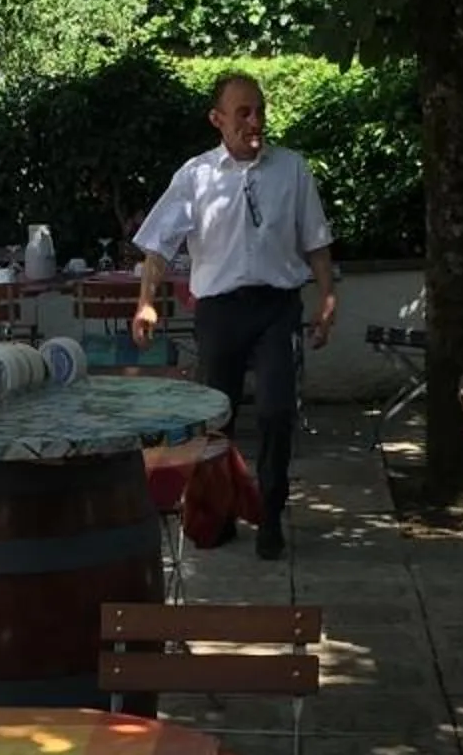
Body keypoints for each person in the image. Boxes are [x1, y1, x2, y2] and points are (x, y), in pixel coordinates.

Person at [130, 72, 339, 558]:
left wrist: (327, 298)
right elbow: (159, 246)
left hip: (275, 309)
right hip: (220, 311)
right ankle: (216, 513)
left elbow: (317, 243)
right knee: (214, 418)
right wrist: (145, 301)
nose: (254, 120)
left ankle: (270, 510)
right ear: (217, 119)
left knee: (276, 411)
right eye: (242, 112)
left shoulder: (292, 169)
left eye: (260, 109)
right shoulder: (196, 176)